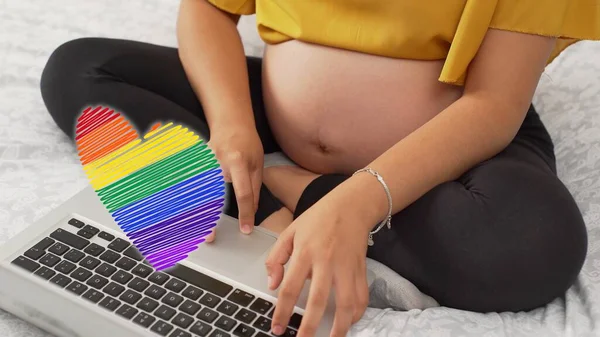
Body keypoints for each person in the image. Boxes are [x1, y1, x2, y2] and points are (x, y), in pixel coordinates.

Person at [40, 0, 599, 336]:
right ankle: (301, 210)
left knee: (536, 243)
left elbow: (494, 106)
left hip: (453, 144)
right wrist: (231, 124)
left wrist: (354, 200)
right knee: (83, 71)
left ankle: (300, 196)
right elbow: (208, 9)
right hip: (273, 114)